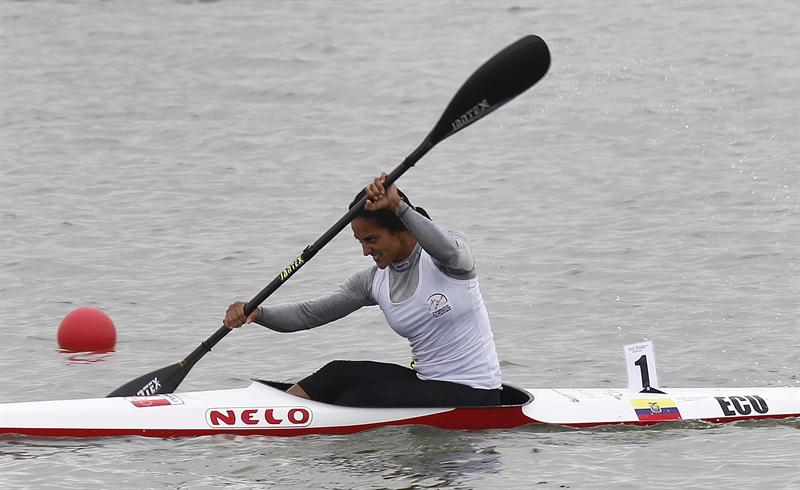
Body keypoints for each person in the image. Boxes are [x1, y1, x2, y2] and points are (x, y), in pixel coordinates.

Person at [224, 172, 502, 407]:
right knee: (337, 373)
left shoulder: (450, 259)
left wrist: (399, 207)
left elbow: (448, 250)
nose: (365, 251)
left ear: (402, 230)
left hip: (477, 394)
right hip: (428, 384)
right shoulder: (373, 280)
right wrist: (258, 313)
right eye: (360, 241)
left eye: (371, 239)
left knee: (361, 397)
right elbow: (309, 315)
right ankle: (276, 417)